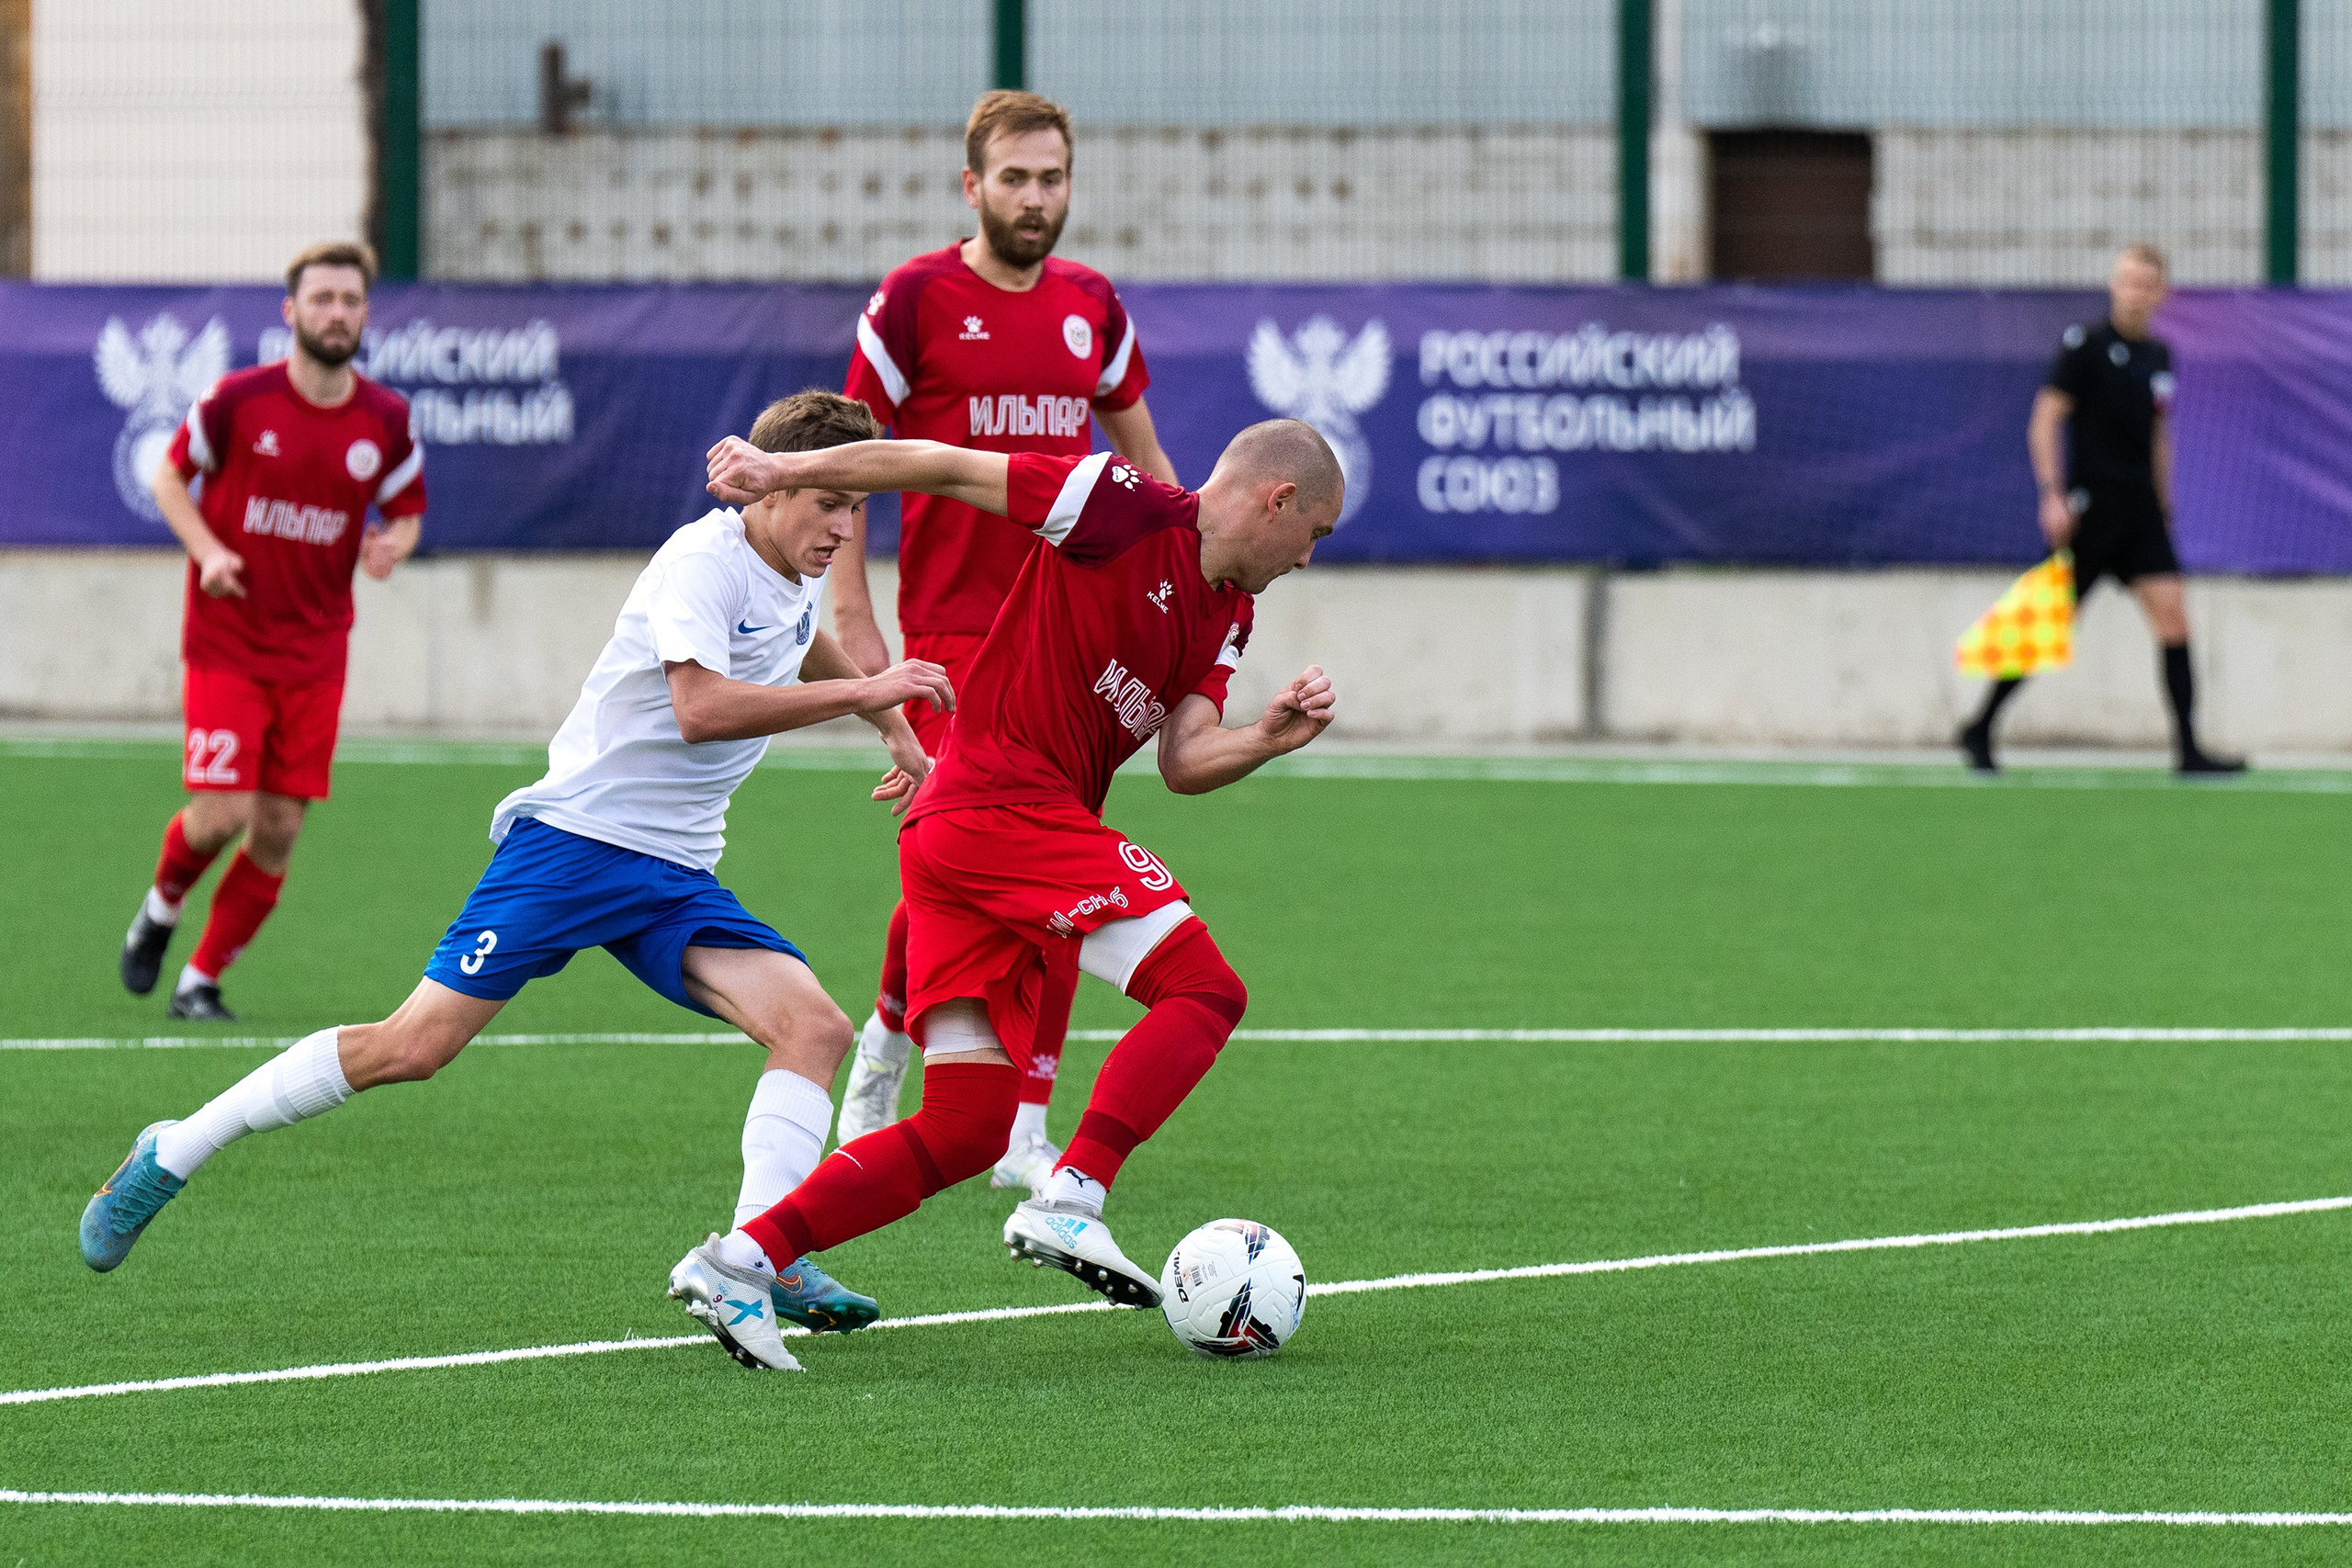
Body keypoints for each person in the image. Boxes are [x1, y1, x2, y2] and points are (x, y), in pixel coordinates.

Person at [81, 393, 953, 1371]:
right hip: (573, 847)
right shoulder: (699, 563)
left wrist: (888, 727)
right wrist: (869, 692)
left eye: (858, 509)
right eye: (829, 501)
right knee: (410, 1047)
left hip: (672, 871)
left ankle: (760, 1255)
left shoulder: (791, 566)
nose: (843, 527)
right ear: (773, 488)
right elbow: (701, 708)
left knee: (815, 1028)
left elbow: (802, 634)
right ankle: (176, 1148)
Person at [667, 418, 1340, 1371]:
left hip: (971, 838)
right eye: (1315, 533)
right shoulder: (1120, 506)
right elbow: (937, 466)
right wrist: (785, 466)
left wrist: (1267, 739)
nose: (1310, 559)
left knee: (969, 1123)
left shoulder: (1228, 611)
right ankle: (1072, 1198)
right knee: (1204, 989)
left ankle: (740, 1262)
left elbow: (1186, 760)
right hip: (998, 809)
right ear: (1277, 501)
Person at [831, 88, 1181, 1194]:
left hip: (1065, 650)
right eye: (1017, 178)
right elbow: (847, 456)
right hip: (946, 642)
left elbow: (1149, 469)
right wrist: (852, 620)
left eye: (1054, 178)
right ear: (971, 186)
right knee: (963, 871)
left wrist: (1185, 595)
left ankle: (1027, 1123)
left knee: (1060, 877)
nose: (1038, 198)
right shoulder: (915, 300)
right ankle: (889, 1047)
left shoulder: (1091, 304)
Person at [120, 242, 426, 1021]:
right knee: (222, 811)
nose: (336, 313)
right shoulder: (237, 400)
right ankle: (160, 907)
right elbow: (167, 475)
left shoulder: (385, 419)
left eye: (350, 300)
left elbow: (407, 508)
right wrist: (210, 550)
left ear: (364, 314)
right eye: (321, 299)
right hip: (228, 639)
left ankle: (200, 981)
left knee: (280, 828)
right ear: (292, 313)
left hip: (317, 651)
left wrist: (394, 544)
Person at [1959, 243, 2244, 776]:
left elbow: (2160, 434)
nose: (2134, 291)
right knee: (2048, 624)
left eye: (2145, 284)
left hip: (2140, 515)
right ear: (2114, 285)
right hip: (2090, 513)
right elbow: (2044, 420)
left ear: (2161, 294)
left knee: (2174, 617)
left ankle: (2188, 750)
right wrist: (2052, 494)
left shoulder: (2160, 357)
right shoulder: (2084, 345)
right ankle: (1980, 727)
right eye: (2126, 281)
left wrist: (2166, 500)